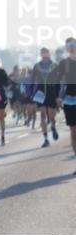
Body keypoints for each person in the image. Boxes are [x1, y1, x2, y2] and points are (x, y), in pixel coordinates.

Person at [51, 38, 76, 174]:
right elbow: (56, 80)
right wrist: (57, 97)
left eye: (73, 45)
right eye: (69, 46)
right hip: (70, 101)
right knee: (74, 132)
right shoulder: (63, 63)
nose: (71, 48)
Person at [31, 48, 59, 147]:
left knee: (52, 115)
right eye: (42, 53)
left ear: (48, 53)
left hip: (51, 92)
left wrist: (58, 94)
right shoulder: (37, 66)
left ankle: (53, 127)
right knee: (42, 115)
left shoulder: (54, 65)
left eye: (45, 52)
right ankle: (46, 139)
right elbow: (32, 80)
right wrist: (32, 93)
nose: (44, 54)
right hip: (40, 92)